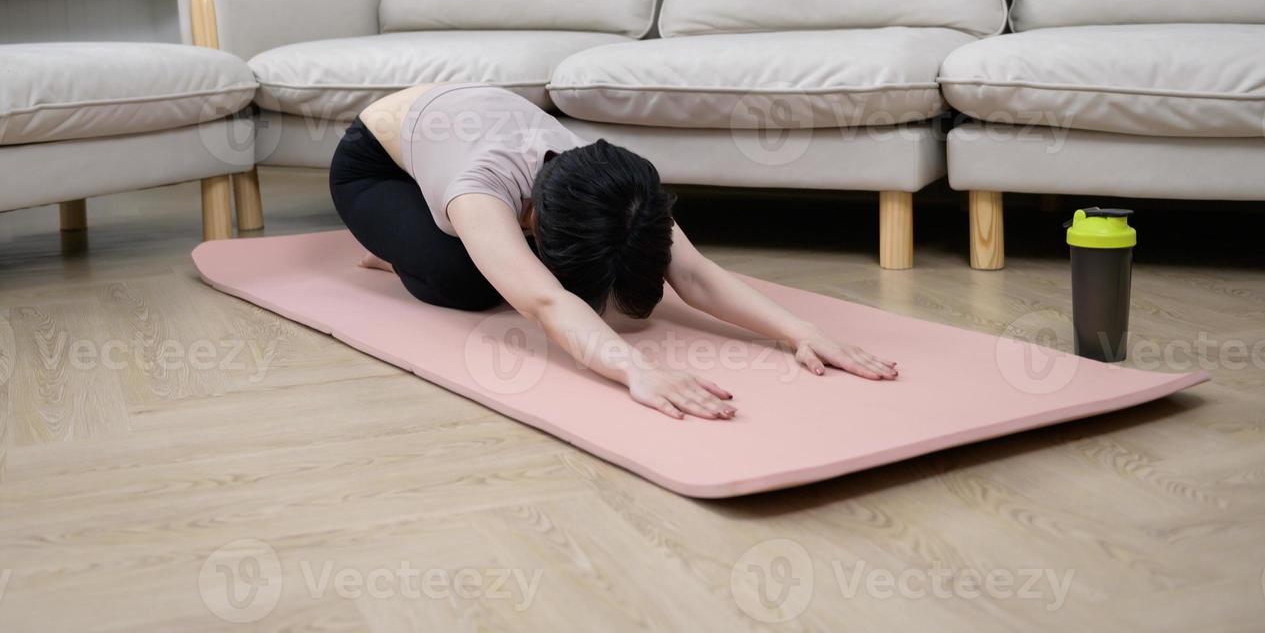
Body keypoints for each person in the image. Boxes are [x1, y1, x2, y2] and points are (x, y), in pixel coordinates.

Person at [330, 83, 898, 420]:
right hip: (375, 164)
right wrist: (635, 370)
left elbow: (695, 274)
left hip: (454, 141)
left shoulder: (611, 182)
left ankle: (466, 242)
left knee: (522, 262)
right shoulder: (481, 187)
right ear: (536, 222)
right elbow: (546, 303)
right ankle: (394, 249)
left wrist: (800, 331)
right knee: (465, 281)